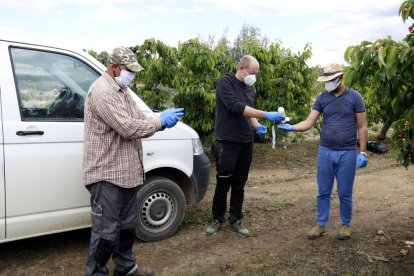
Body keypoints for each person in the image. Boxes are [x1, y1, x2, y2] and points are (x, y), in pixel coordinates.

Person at [83, 46, 184, 276]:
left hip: (126, 172)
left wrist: (158, 116)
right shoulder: (102, 92)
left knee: (127, 226)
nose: (132, 75)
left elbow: (137, 117)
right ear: (114, 67)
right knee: (105, 232)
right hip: (107, 174)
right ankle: (96, 272)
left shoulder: (122, 90)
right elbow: (127, 127)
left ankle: (126, 268)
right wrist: (160, 123)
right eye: (129, 70)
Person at [278, 63, 368, 240]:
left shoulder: (355, 97)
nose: (328, 84)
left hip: (347, 152)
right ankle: (321, 225)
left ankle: (345, 225)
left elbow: (362, 126)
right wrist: (292, 128)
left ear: (340, 78)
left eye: (331, 80)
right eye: (326, 80)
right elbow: (308, 122)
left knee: (344, 192)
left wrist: (362, 152)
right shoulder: (322, 98)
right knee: (323, 191)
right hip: (325, 151)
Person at [206, 55, 286, 237]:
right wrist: (267, 114)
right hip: (227, 141)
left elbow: (249, 113)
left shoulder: (249, 88)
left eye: (256, 74)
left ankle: (236, 219)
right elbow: (236, 107)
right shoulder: (225, 83)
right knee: (223, 181)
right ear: (242, 68)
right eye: (252, 73)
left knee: (240, 183)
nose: (254, 77)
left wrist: (258, 126)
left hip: (245, 142)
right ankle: (217, 218)